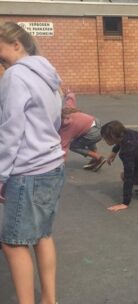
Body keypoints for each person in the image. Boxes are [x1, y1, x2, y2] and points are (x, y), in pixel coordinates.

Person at [0, 22, 65, 304]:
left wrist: (0, 175)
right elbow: (56, 120)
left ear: (17, 44)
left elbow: (10, 130)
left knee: (12, 243)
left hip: (28, 169)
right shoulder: (47, 73)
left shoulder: (15, 75)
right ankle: (49, 300)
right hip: (52, 164)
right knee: (43, 235)